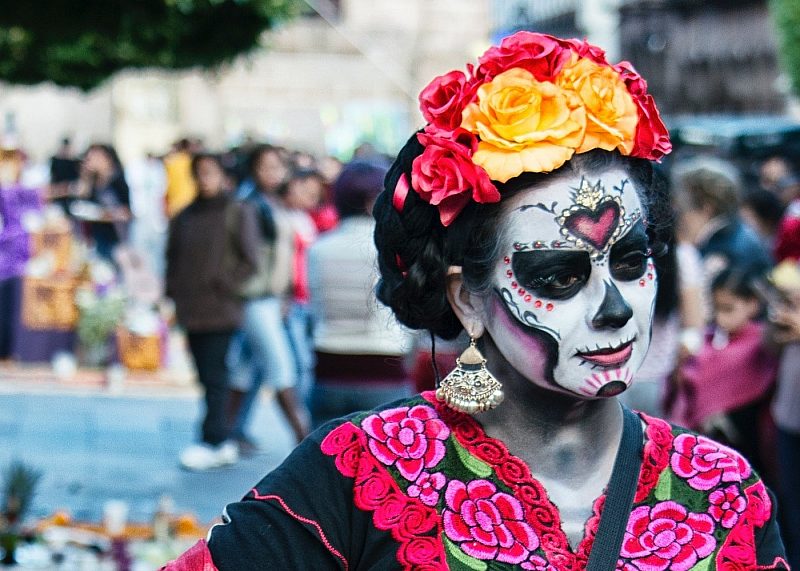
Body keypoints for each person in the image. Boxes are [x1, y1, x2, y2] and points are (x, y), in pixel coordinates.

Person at [163, 32, 788, 569]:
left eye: (630, 264)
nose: (614, 306)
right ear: (466, 300)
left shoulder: (721, 490)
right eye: (559, 277)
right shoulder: (368, 467)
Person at [165, 153, 260, 471]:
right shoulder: (185, 216)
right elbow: (172, 260)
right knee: (206, 376)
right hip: (192, 308)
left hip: (222, 309)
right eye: (199, 173)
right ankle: (216, 436)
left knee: (217, 374)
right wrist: (173, 295)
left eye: (210, 173)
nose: (204, 179)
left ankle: (215, 437)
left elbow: (250, 260)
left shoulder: (237, 211)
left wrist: (226, 284)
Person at [306, 159, 415, 428]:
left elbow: (315, 306)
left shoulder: (318, 249)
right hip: (383, 370)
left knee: (326, 465)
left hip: (328, 369)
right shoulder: (391, 249)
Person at [225, 145, 309, 448]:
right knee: (281, 367)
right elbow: (248, 256)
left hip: (270, 299)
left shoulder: (271, 203)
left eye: (277, 166)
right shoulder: (250, 205)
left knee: (243, 371)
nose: (273, 173)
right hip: (255, 299)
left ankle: (225, 433)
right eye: (266, 167)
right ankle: (303, 437)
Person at [665, 267, 778, 475]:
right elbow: (686, 385)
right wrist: (681, 365)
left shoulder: (761, 342)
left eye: (728, 309)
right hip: (709, 440)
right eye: (715, 308)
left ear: (752, 305)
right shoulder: (706, 340)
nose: (719, 317)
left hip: (750, 436)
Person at [72, 143, 131, 262]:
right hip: (96, 238)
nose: (91, 161)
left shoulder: (117, 179)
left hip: (116, 238)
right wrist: (86, 176)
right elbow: (82, 200)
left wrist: (104, 214)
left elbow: (127, 212)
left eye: (95, 157)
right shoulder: (94, 180)